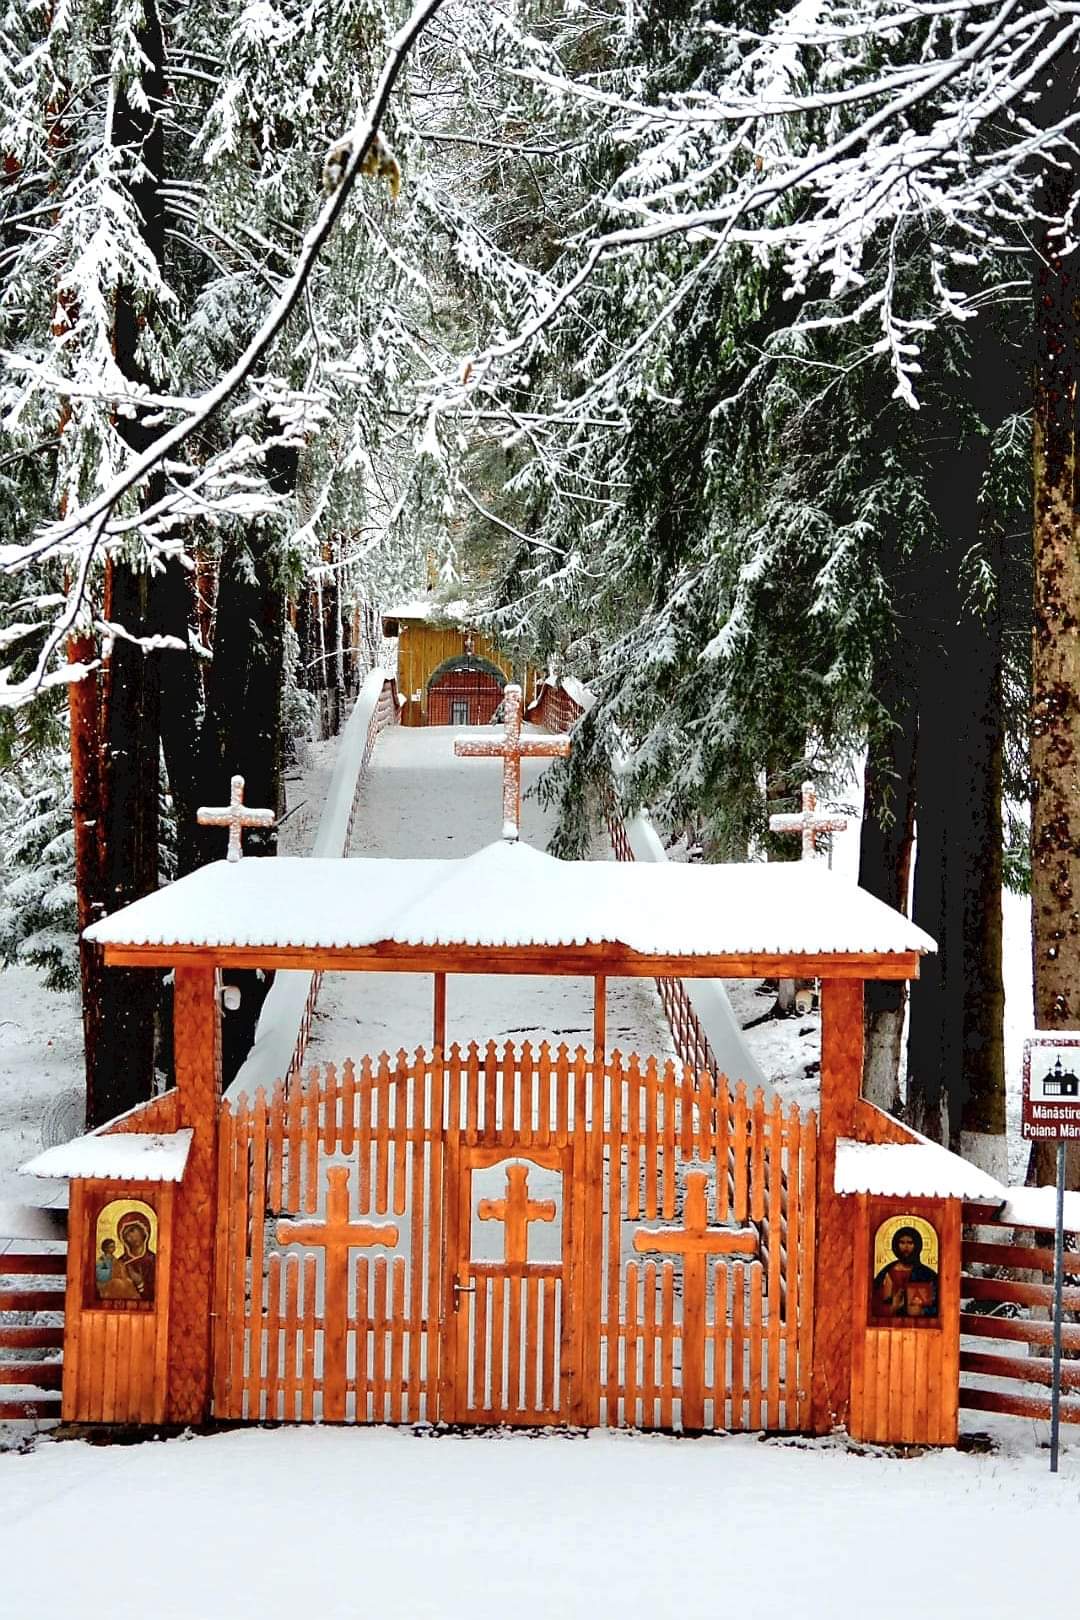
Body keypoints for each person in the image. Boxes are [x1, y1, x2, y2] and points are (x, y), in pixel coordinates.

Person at [871, 1225, 938, 1320]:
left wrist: (922, 1311)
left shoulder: (927, 1274)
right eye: (902, 1242)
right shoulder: (887, 1272)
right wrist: (893, 1307)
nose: (906, 1247)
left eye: (910, 1243)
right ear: (896, 1245)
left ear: (917, 1245)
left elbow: (938, 1305)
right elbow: (874, 1304)